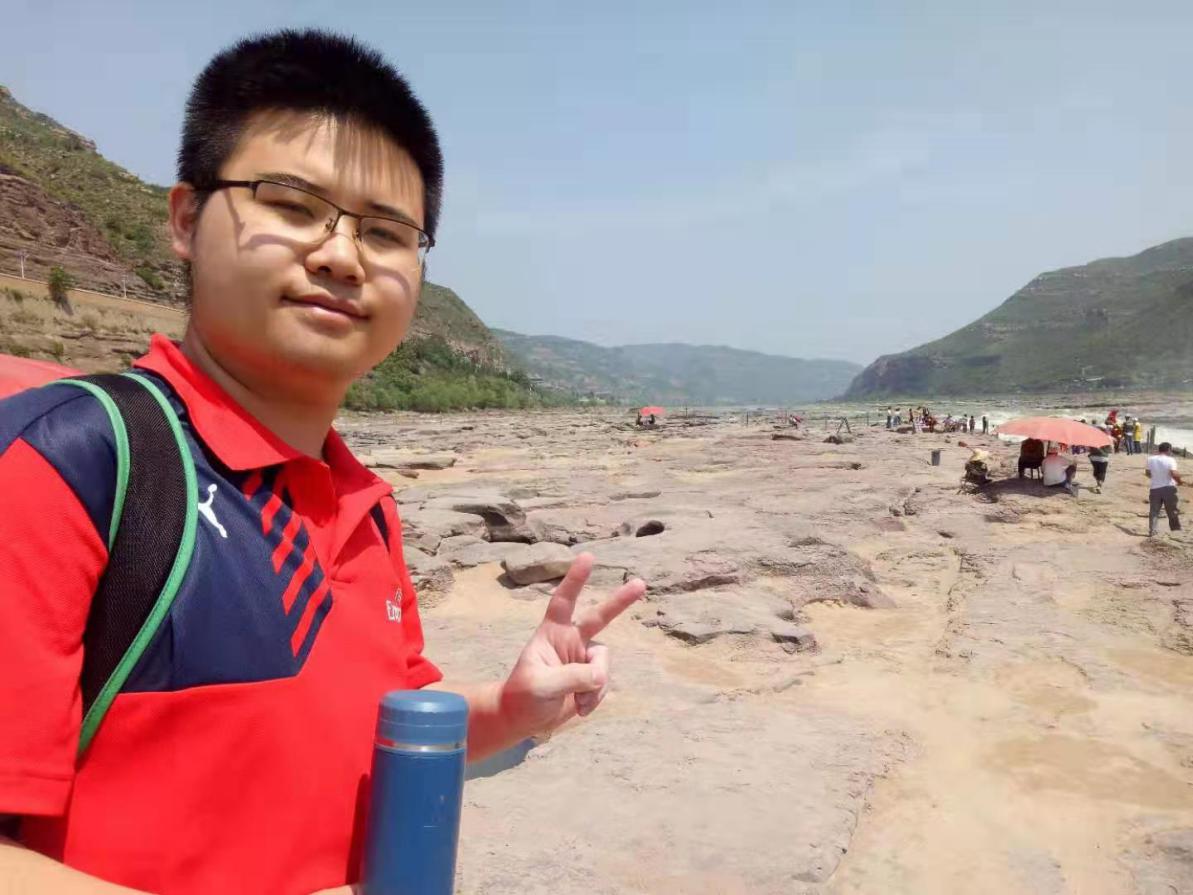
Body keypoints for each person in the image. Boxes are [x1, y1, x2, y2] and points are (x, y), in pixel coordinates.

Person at [0, 31, 646, 895]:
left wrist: (508, 708)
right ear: (186, 219)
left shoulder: (363, 506)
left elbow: (377, 730)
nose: (341, 255)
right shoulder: (67, 464)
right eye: (292, 205)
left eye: (385, 231)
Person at [1146, 442, 1183, 536]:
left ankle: (1152, 531)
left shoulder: (1150, 459)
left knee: (1154, 511)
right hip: (1168, 488)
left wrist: (1156, 477)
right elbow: (1174, 473)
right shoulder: (1170, 460)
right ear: (1169, 450)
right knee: (1172, 510)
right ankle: (1175, 529)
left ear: (1159, 449)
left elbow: (1148, 473)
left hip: (1155, 488)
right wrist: (1179, 482)